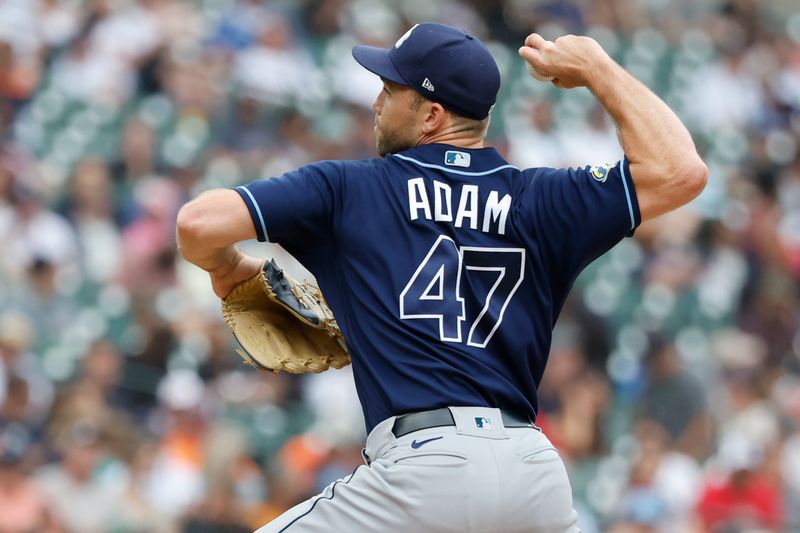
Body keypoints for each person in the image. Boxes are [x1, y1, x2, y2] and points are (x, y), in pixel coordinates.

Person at [177, 22, 707, 532]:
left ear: (431, 115)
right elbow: (681, 171)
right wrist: (597, 68)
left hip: (422, 469)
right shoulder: (542, 199)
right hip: (532, 474)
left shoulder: (349, 189)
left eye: (390, 89)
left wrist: (229, 269)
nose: (377, 103)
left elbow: (196, 223)